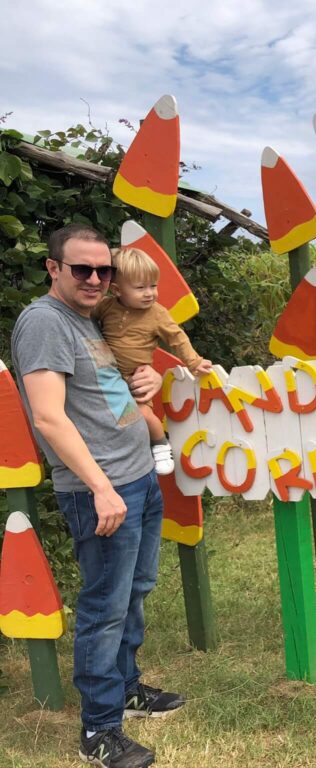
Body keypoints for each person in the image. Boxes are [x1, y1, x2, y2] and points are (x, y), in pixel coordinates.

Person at [11, 225, 185, 768]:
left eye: (102, 270)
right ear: (53, 268)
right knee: (105, 608)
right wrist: (101, 488)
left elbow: (110, 386)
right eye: (81, 268)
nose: (93, 278)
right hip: (101, 489)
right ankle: (101, 729)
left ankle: (128, 689)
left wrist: (151, 381)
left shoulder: (92, 320)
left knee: (135, 590)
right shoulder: (43, 322)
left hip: (137, 476)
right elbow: (47, 416)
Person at [94, 246, 212, 474]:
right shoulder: (105, 307)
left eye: (153, 286)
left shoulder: (157, 314)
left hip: (135, 378)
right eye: (140, 288)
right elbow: (85, 319)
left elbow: (177, 338)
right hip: (109, 378)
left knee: (144, 414)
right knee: (114, 420)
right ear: (117, 290)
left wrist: (194, 362)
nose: (150, 293)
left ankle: (160, 445)